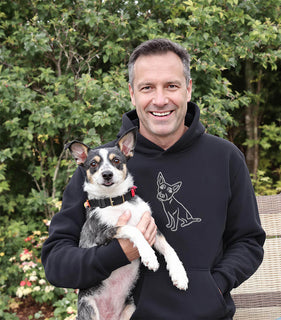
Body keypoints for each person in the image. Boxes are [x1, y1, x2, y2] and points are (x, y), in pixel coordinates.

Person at [41, 38, 265, 319]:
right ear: (133, 94)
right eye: (147, 87)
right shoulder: (99, 169)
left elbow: (248, 241)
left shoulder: (225, 157)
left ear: (188, 89)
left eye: (171, 85)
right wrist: (118, 253)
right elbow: (57, 263)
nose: (160, 100)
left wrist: (215, 287)